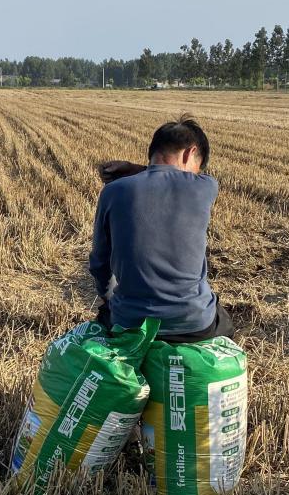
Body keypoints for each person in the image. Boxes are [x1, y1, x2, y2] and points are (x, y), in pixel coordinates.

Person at [90, 115, 233, 343]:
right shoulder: (205, 187)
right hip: (194, 324)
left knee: (104, 321)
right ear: (189, 153)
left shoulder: (113, 191)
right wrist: (138, 169)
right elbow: (170, 177)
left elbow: (99, 263)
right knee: (225, 324)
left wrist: (110, 300)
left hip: (129, 323)